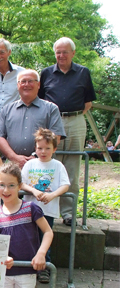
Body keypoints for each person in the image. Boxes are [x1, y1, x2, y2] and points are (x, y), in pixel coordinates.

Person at [39, 37, 96, 226]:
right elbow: (40, 100)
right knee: (48, 164)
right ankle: (44, 211)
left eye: (65, 52)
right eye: (58, 52)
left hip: (76, 120)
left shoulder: (83, 72)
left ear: (73, 53)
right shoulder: (46, 73)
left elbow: (88, 102)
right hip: (52, 123)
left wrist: (72, 116)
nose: (61, 55)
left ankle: (68, 214)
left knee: (72, 168)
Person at [0, 163, 54, 288]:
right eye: (1, 185)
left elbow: (48, 232)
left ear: (19, 186)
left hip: (26, 270)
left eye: (11, 185)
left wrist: (41, 254)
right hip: (4, 271)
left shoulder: (31, 208)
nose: (6, 190)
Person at [21, 128, 70, 283]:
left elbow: (65, 185)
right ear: (35, 148)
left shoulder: (58, 166)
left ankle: (43, 268)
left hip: (47, 210)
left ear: (54, 149)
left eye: (47, 148)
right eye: (40, 148)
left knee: (45, 238)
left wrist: (52, 195)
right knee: (28, 237)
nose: (43, 151)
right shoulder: (30, 164)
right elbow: (21, 183)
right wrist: (34, 191)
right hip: (29, 208)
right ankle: (28, 265)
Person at [0, 69, 66, 168]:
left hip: (42, 165)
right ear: (17, 85)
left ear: (39, 85)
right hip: (13, 165)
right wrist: (14, 157)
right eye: (23, 81)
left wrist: (36, 156)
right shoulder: (7, 109)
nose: (26, 84)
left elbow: (55, 137)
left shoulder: (51, 109)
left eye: (31, 81)